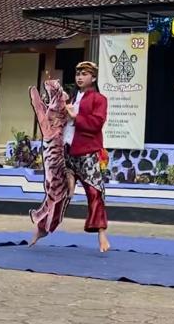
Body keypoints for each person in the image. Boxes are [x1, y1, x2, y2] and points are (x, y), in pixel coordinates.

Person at [63, 61, 111, 253]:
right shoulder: (74, 97)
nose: (79, 77)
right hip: (68, 149)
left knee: (95, 193)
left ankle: (101, 234)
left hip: (88, 151)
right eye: (77, 74)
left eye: (84, 74)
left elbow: (96, 123)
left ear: (93, 77)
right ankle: (41, 228)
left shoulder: (99, 99)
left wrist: (76, 117)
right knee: (57, 192)